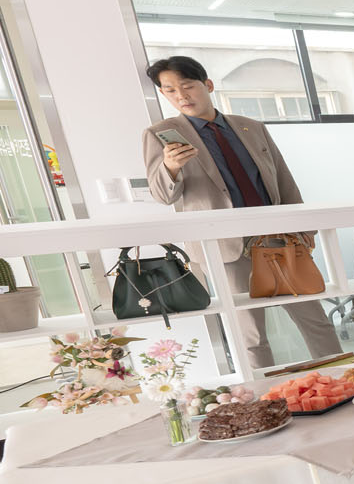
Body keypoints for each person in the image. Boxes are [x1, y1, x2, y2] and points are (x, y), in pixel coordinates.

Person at [140, 55, 340, 373]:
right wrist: (171, 166)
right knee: (251, 335)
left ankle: (341, 377)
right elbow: (163, 195)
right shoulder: (161, 134)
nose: (181, 96)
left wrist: (304, 230)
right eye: (170, 90)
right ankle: (264, 394)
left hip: (278, 239)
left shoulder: (251, 127)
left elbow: (283, 180)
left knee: (315, 320)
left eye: (187, 86)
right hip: (225, 248)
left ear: (207, 85)